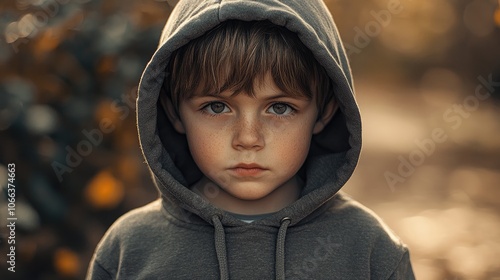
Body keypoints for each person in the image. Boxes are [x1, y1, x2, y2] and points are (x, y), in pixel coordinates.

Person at [87, 0, 415, 279]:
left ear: (324, 113)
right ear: (174, 112)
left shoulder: (370, 250)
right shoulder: (129, 248)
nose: (248, 138)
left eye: (280, 108)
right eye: (217, 107)